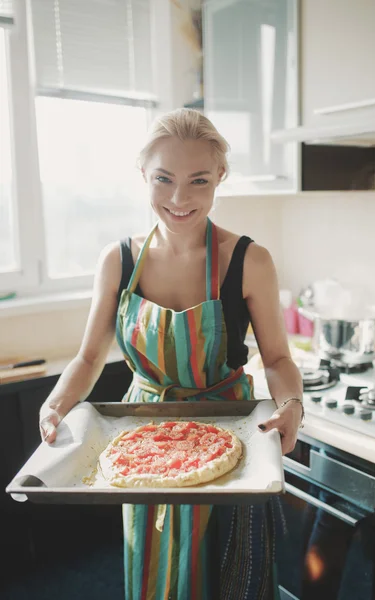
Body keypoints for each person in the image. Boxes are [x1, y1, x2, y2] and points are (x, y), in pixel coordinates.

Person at [39, 108, 304, 600]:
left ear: (220, 177)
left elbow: (278, 360)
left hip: (234, 442)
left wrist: (291, 405)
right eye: (164, 179)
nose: (180, 199)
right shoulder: (117, 260)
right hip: (147, 444)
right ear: (143, 176)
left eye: (198, 181)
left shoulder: (250, 261)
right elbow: (89, 357)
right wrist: (56, 403)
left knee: (229, 582)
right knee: (157, 577)